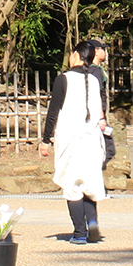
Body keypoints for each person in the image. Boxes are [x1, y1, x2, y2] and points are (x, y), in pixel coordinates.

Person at [40, 40, 109, 244]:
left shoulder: (64, 79)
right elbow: (98, 110)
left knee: (72, 185)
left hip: (71, 139)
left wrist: (46, 140)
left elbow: (53, 112)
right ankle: (93, 222)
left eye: (72, 53)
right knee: (88, 182)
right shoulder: (95, 80)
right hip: (92, 138)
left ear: (77, 55)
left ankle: (80, 232)